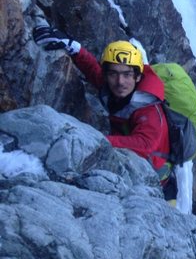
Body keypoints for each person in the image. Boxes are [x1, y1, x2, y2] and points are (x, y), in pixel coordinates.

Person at [33, 26, 177, 202]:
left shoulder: (149, 110)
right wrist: (74, 47)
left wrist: (99, 139)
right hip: (130, 161)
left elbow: (144, 144)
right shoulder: (119, 87)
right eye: (113, 74)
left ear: (138, 77)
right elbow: (94, 72)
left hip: (154, 178)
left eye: (126, 74)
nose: (120, 82)